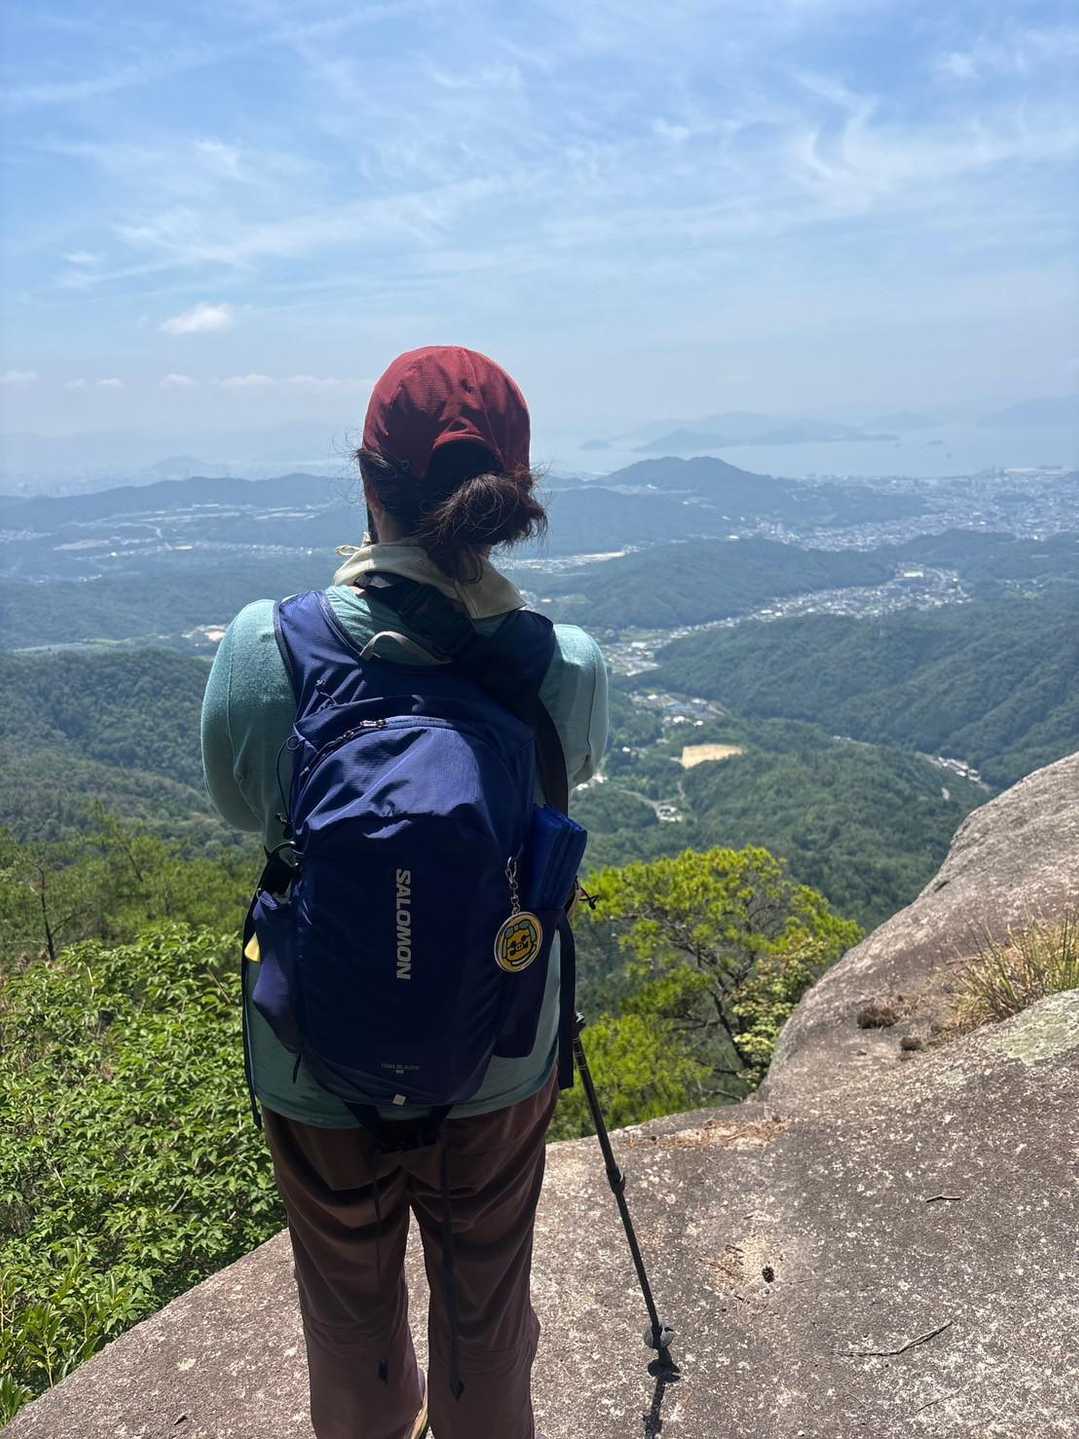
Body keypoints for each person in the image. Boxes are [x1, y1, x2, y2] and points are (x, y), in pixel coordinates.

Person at [201, 345, 608, 1439]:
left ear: (366, 482)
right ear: (510, 494)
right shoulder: (562, 663)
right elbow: (558, 788)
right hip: (497, 1046)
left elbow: (246, 809)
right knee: (487, 1313)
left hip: (313, 1046)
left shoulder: (265, 649)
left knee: (347, 1322)